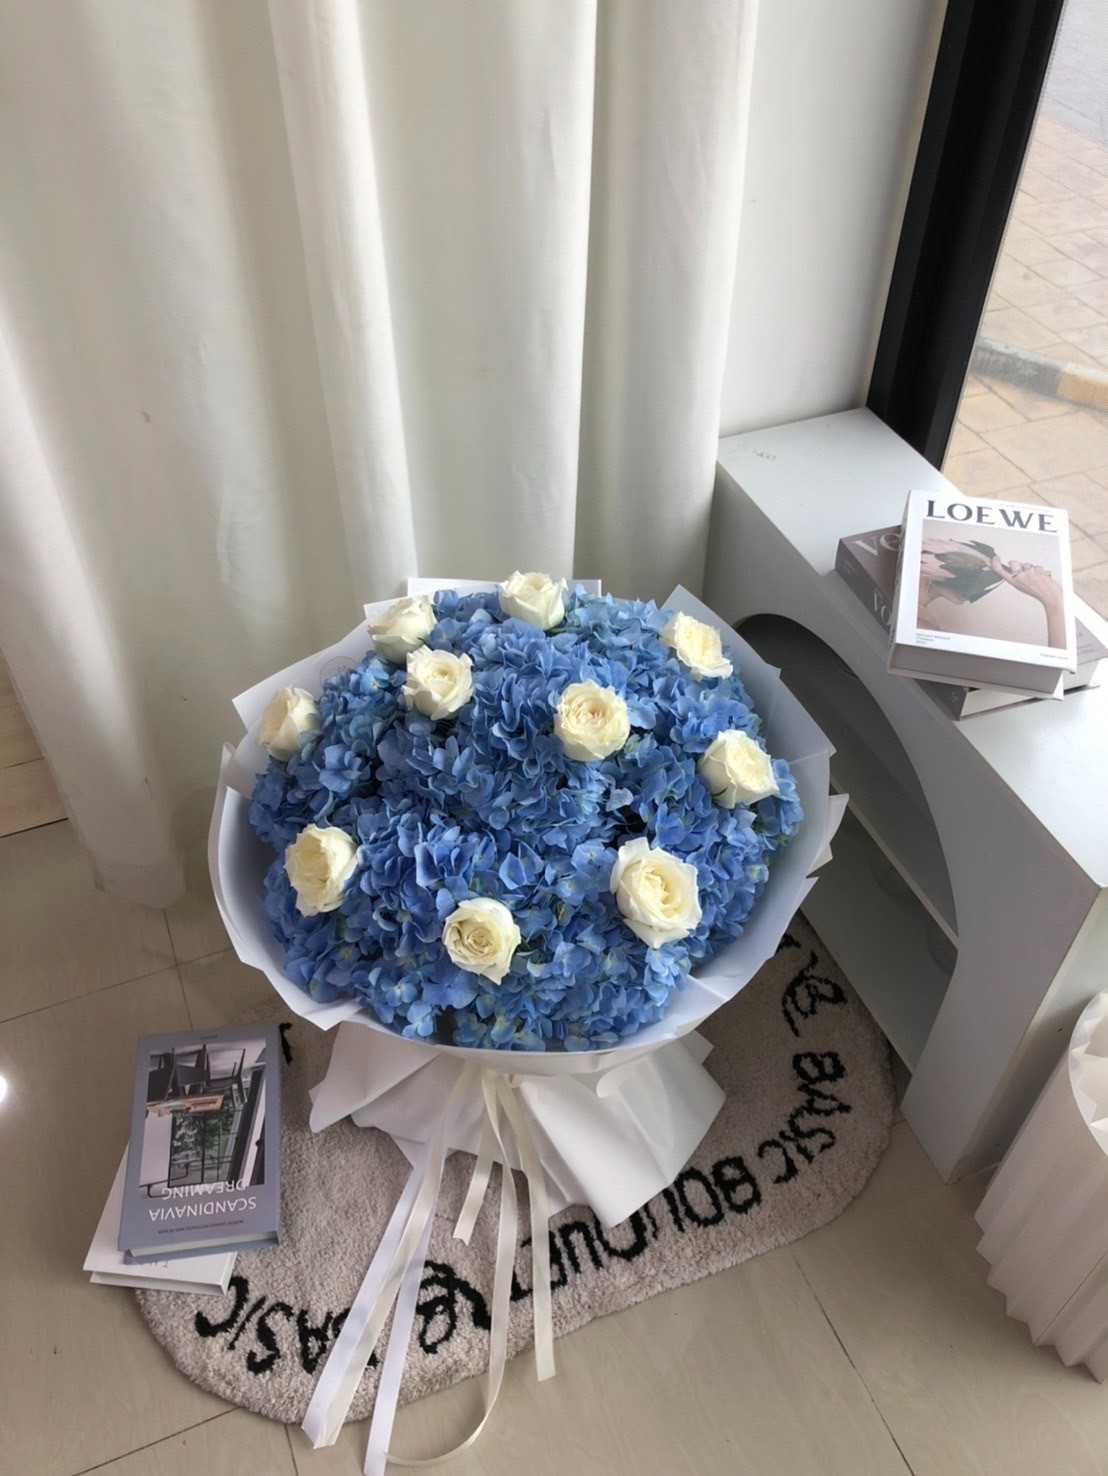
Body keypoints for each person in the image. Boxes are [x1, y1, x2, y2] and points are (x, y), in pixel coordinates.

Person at [917, 536, 1066, 648]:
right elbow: (1051, 674)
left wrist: (1054, 601)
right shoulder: (921, 627)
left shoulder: (923, 620)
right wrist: (1054, 603)